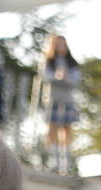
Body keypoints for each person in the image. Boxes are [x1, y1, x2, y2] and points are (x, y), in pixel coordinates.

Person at [42, 34, 81, 175]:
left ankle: (66, 162)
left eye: (63, 44)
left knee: (66, 128)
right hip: (53, 99)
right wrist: (56, 76)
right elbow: (46, 77)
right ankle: (54, 161)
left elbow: (76, 80)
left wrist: (66, 77)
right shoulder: (48, 61)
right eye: (58, 44)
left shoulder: (72, 63)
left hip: (68, 99)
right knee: (52, 128)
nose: (61, 47)